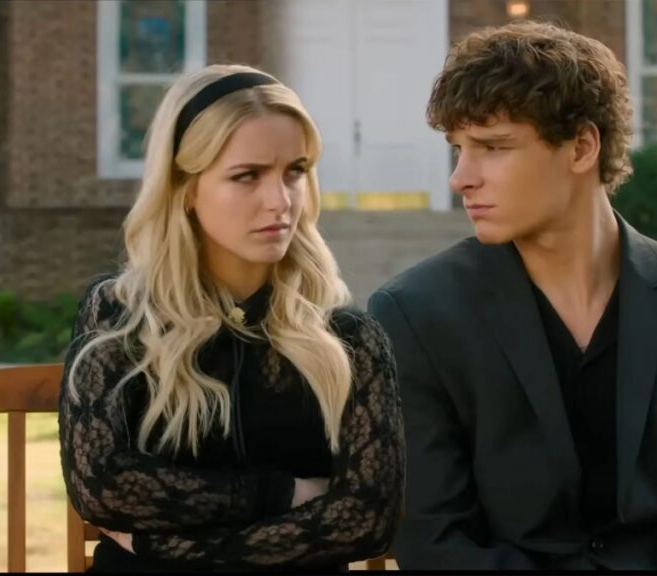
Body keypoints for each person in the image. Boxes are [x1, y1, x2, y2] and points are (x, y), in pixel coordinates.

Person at [368, 21, 657, 570]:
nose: (461, 177)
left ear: (582, 147)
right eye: (458, 149)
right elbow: (436, 544)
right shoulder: (415, 315)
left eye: (492, 147)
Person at [58, 64, 403, 572]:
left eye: (295, 171)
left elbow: (366, 519)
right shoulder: (121, 317)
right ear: (184, 188)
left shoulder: (349, 340)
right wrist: (284, 492)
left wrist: (161, 547)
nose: (280, 201)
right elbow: (103, 486)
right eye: (247, 176)